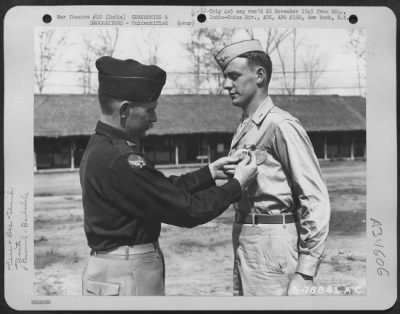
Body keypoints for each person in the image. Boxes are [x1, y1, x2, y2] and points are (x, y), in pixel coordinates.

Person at [79, 56, 258, 296]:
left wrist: (209, 173)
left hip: (111, 271)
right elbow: (187, 210)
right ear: (124, 110)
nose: (154, 119)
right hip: (128, 274)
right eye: (150, 111)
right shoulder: (123, 159)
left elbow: (157, 188)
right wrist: (237, 185)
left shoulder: (101, 147)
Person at [213, 40, 331, 296]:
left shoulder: (280, 125)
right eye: (225, 77)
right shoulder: (246, 126)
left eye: (233, 76)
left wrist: (306, 270)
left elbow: (314, 197)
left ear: (259, 75)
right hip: (247, 238)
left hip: (273, 241)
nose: (226, 85)